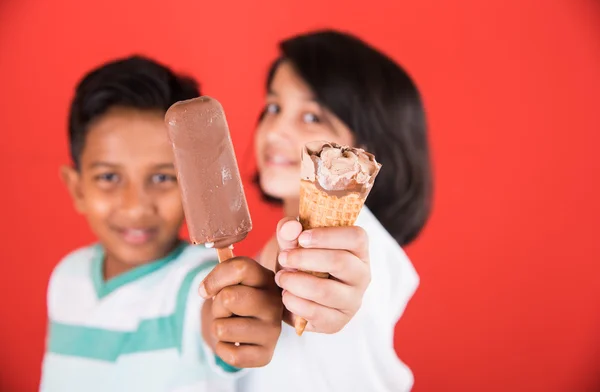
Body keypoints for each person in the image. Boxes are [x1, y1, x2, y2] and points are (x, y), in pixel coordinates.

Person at [40, 56, 283, 392]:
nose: (136, 206)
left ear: (194, 183)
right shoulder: (66, 277)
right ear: (77, 188)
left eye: (162, 177)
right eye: (109, 177)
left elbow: (216, 319)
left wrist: (240, 319)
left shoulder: (196, 285)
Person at [237, 29, 432, 391]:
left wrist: (337, 309)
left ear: (366, 146)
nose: (275, 129)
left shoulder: (358, 248)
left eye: (312, 117)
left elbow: (354, 300)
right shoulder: (274, 245)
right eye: (274, 107)